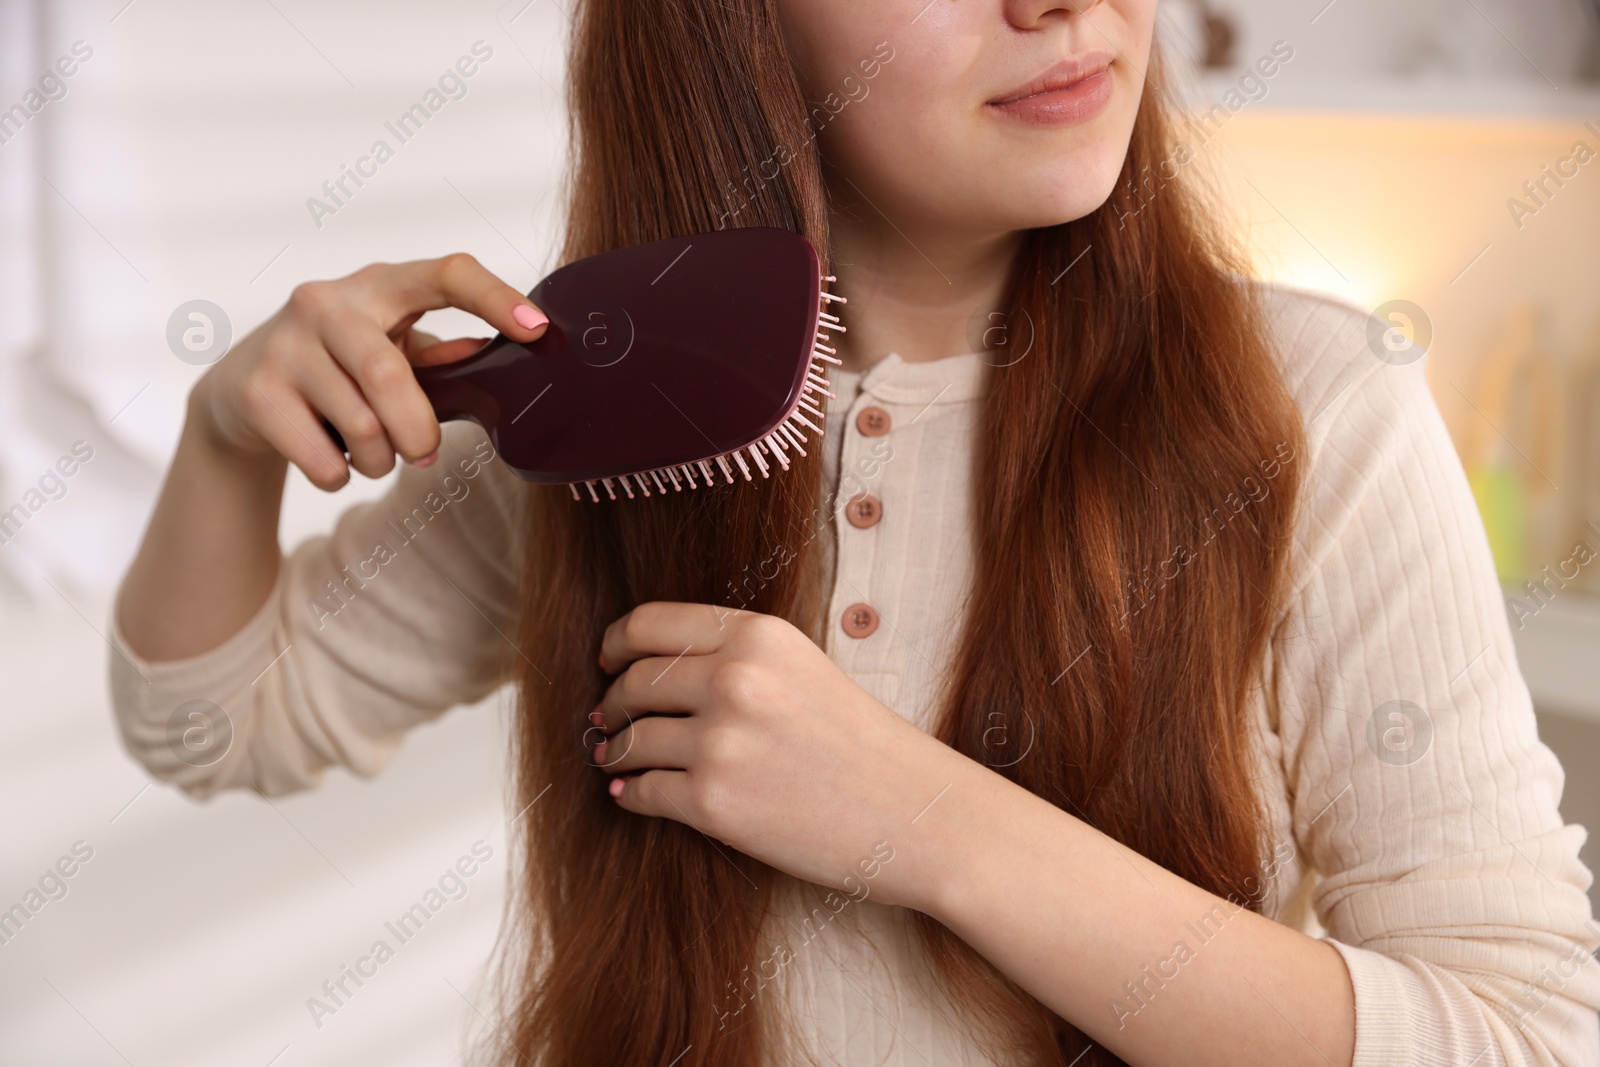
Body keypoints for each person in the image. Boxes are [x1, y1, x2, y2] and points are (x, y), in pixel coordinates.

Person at [109, 0, 1600, 1064]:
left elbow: (1524, 1038)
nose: (1060, 7)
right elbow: (209, 723)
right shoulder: (609, 418)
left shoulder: (1312, 415)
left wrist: (922, 821)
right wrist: (226, 441)